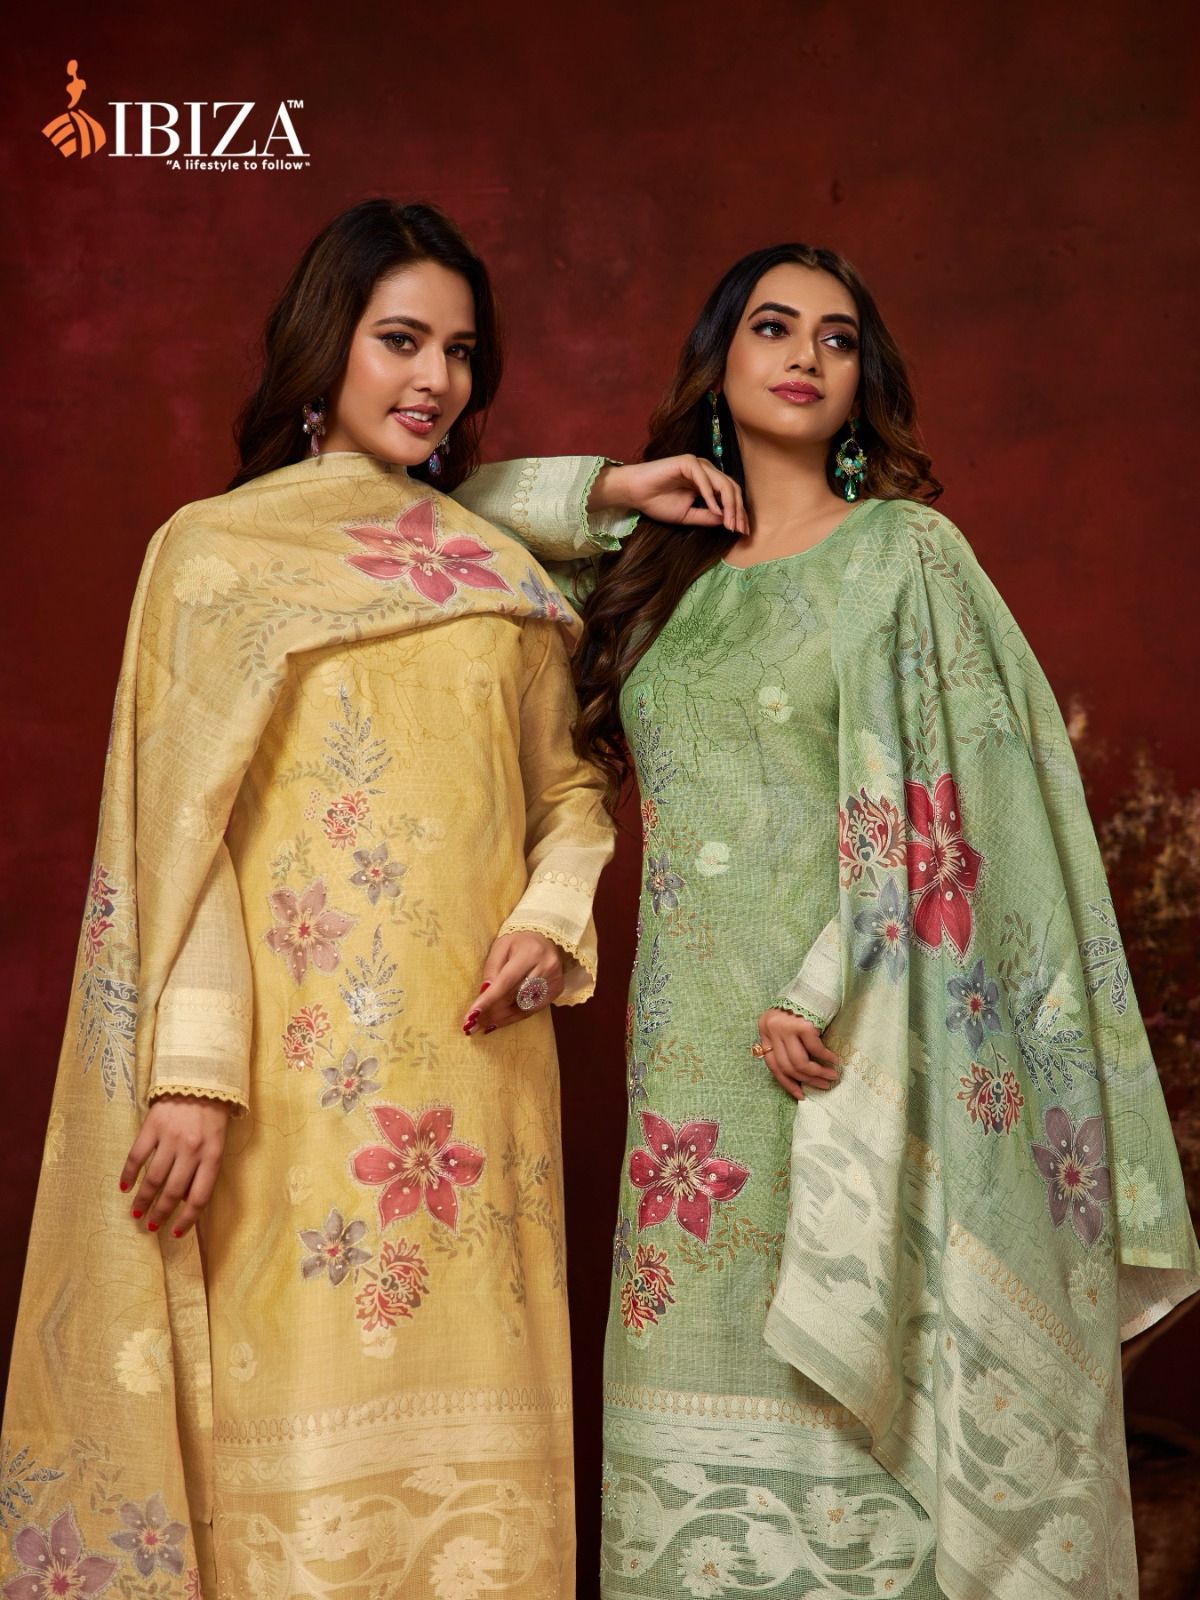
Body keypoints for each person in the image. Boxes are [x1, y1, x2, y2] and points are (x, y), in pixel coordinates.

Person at [0, 200, 741, 1600]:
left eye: (460, 352)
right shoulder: (215, 556)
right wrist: (192, 1075)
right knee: (289, 1443)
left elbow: (572, 794)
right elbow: (183, 840)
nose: (435, 379)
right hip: (287, 1090)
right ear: (324, 343)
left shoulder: (498, 575)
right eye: (401, 340)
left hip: (477, 1085)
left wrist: (550, 919)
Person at [481, 243, 1200, 1598]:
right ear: (719, 363)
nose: (807, 355)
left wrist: (822, 988)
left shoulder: (903, 554)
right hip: (687, 1091)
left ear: (867, 381)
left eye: (838, 337)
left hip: (847, 1049)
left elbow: (957, 808)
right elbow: (443, 517)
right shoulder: (656, 573)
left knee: (862, 1421)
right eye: (773, 327)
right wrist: (616, 488)